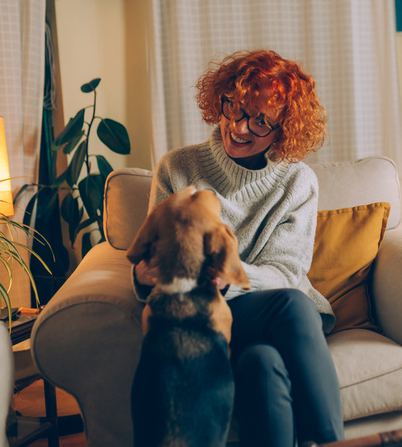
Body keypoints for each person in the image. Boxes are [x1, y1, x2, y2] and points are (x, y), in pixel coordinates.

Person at [132, 49, 344, 447]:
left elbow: (287, 272)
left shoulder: (298, 182)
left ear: (284, 129)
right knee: (278, 335)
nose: (240, 127)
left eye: (261, 121)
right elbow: (154, 250)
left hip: (264, 312)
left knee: (280, 331)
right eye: (235, 107)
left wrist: (227, 278)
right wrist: (143, 274)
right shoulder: (176, 168)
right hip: (198, 312)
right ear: (222, 99)